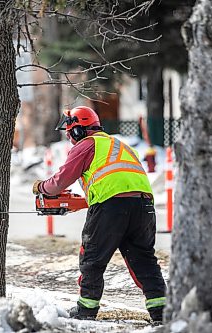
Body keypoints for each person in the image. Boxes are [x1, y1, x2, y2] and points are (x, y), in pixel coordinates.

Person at [32, 106, 166, 322]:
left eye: (70, 132)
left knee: (92, 258)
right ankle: (161, 311)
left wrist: (41, 187)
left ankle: (87, 310)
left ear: (78, 130)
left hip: (111, 207)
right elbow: (118, 183)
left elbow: (60, 182)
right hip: (144, 206)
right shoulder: (119, 146)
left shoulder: (86, 145)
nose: (69, 137)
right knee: (143, 259)